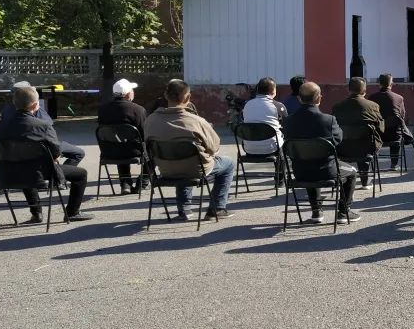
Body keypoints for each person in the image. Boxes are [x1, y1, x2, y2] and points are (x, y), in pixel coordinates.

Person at [0, 84, 92, 223]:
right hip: (39, 173)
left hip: (7, 173)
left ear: (15, 104)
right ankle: (72, 212)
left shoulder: (0, 125)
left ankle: (36, 213)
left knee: (23, 165)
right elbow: (56, 152)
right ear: (35, 105)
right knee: (81, 174)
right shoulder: (43, 126)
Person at [144, 79, 234, 221]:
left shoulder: (150, 120)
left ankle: (184, 209)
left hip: (166, 170)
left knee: (181, 158)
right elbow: (214, 148)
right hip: (195, 169)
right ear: (188, 97)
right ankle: (216, 208)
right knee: (228, 163)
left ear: (166, 96)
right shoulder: (196, 121)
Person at [283, 81, 360, 224]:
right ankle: (343, 212)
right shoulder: (328, 120)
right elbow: (338, 139)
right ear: (319, 98)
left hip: (300, 173)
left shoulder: (288, 121)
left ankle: (316, 212)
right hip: (327, 171)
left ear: (299, 98)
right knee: (352, 172)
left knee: (308, 161)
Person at [0, 81, 86, 167]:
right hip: (37, 153)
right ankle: (58, 173)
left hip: (12, 160)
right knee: (79, 154)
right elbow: (53, 144)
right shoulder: (38, 114)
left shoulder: (4, 115)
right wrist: (54, 157)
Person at [97, 77, 148, 193]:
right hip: (134, 151)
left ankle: (125, 184)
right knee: (152, 149)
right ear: (128, 94)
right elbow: (144, 133)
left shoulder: (103, 109)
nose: (133, 92)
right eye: (132, 90)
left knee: (118, 142)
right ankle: (143, 182)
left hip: (109, 151)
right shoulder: (138, 110)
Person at [331, 77, 385, 188]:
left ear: (348, 89)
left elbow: (333, 129)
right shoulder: (373, 106)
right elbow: (381, 128)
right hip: (366, 149)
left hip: (342, 149)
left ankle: (344, 178)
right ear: (364, 90)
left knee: (361, 141)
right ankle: (365, 182)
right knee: (366, 141)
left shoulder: (337, 107)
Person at [368, 73, 413, 170]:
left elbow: (370, 117)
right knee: (395, 129)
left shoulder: (372, 98)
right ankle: (394, 164)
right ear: (391, 84)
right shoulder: (399, 98)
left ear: (379, 84)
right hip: (395, 136)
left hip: (378, 135)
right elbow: (402, 116)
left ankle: (374, 164)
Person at [241, 76, 287, 161]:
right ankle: (281, 169)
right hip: (272, 149)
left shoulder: (247, 105)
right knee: (283, 137)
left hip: (249, 149)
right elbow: (286, 125)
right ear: (273, 90)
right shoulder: (278, 106)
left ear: (258, 90)